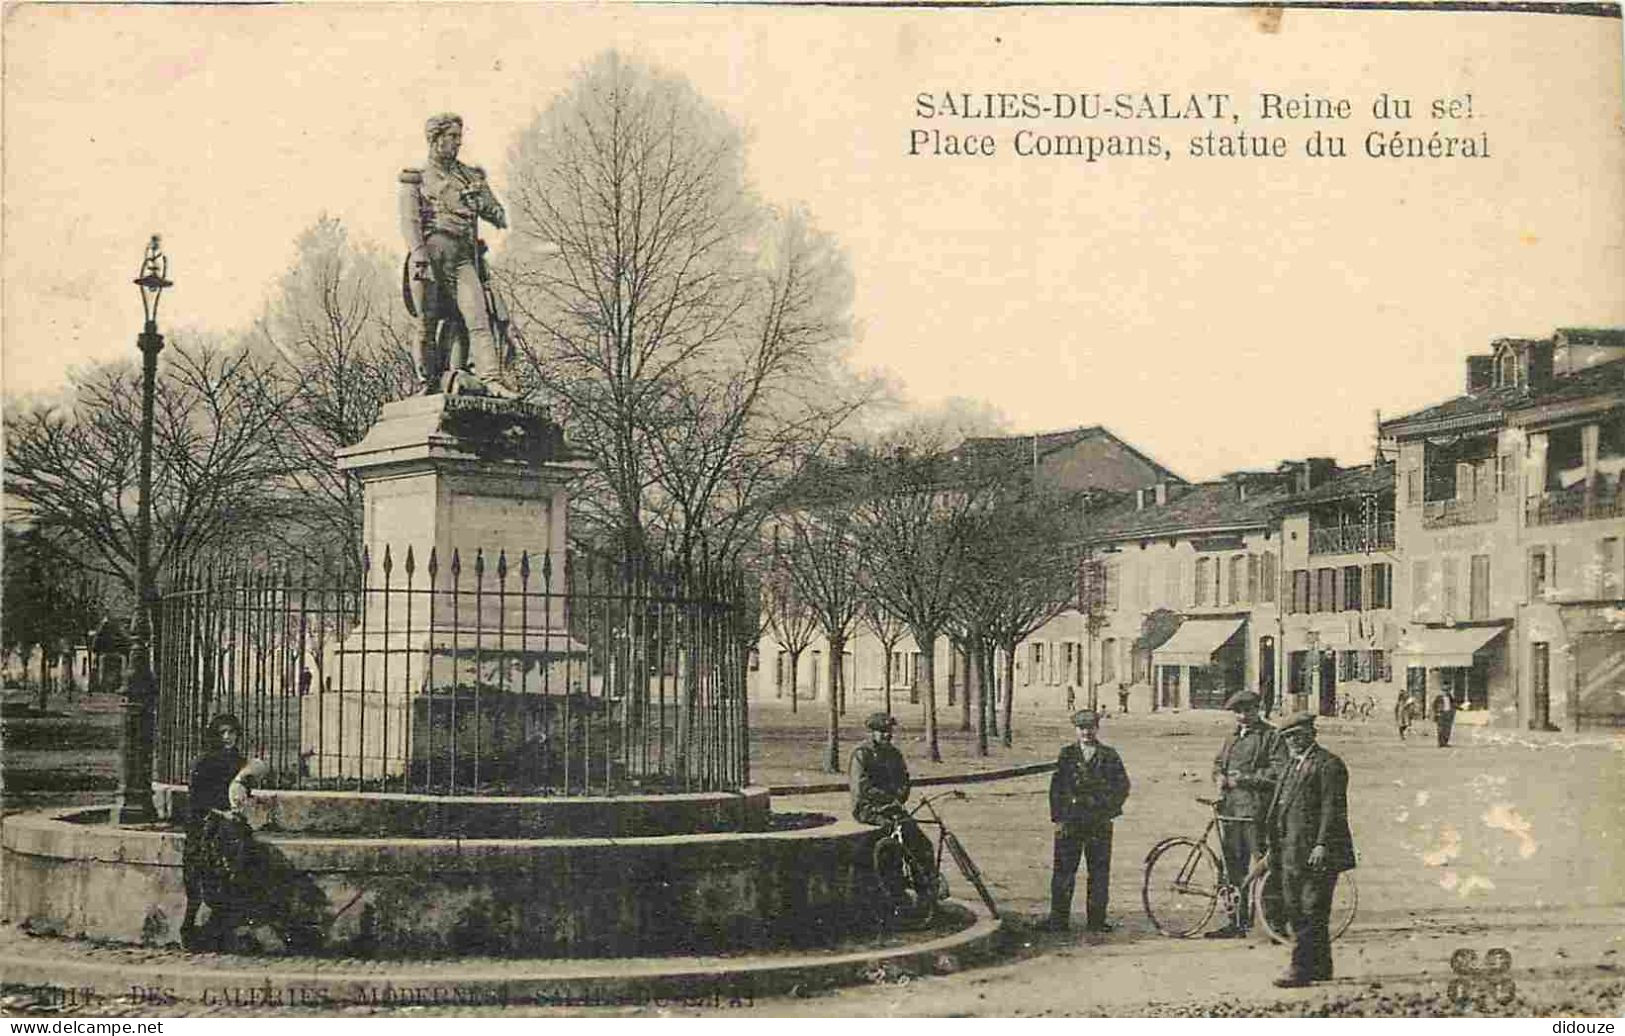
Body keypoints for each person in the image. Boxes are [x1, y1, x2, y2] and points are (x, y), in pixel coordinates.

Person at [399, 112, 511, 396]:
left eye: (460, 137)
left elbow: (500, 217)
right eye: (452, 137)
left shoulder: (470, 177)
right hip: (431, 254)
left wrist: (481, 203)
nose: (458, 143)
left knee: (478, 317)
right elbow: (410, 221)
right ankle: (427, 382)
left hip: (463, 257)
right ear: (435, 140)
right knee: (426, 322)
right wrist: (419, 255)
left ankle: (492, 380)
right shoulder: (417, 179)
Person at [1262, 711, 1356, 987]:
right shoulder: (1291, 766)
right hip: (1290, 850)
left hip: (1318, 852)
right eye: (1288, 738)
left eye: (1298, 736)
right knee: (1296, 907)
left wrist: (1322, 844)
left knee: (1310, 908)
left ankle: (1299, 967)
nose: (1293, 742)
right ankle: (1320, 966)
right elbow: (1279, 806)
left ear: (1312, 734)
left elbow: (1333, 809)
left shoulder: (1329, 765)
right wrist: (1274, 844)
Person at [1206, 689, 1286, 938]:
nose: (1242, 716)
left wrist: (1246, 779)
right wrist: (1218, 776)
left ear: (1257, 710)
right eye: (1237, 712)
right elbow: (1219, 763)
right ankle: (1236, 923)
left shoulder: (1271, 736)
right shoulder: (1232, 738)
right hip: (1230, 811)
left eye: (1247, 711)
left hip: (1257, 812)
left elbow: (1278, 770)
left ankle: (1274, 925)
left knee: (1265, 867)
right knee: (1232, 868)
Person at [1046, 709, 1131, 933]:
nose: (1086, 732)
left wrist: (1108, 809)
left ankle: (1096, 921)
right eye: (1081, 728)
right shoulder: (1067, 755)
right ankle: (1058, 920)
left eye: (1090, 727)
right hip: (1071, 822)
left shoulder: (1109, 755)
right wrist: (1059, 819)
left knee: (1099, 873)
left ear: (1097, 728)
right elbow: (1056, 790)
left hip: (1099, 823)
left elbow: (1122, 786)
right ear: (1076, 730)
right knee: (1064, 872)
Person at [849, 712, 937, 913]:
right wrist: (889, 798)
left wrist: (900, 795)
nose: (886, 736)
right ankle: (896, 895)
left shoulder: (894, 754)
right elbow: (862, 788)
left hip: (894, 808)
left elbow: (904, 780)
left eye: (889, 731)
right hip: (869, 810)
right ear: (872, 733)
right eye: (881, 732)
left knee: (921, 844)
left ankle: (926, 894)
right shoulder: (862, 754)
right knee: (891, 848)